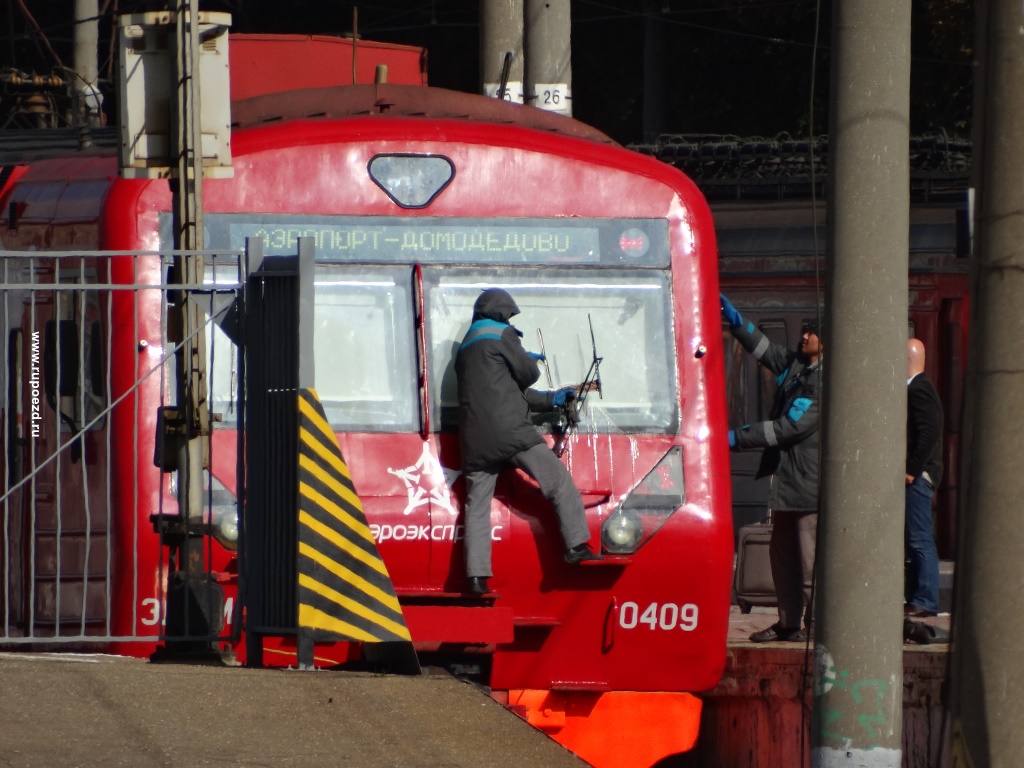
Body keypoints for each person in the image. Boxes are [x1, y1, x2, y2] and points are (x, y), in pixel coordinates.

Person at [455, 288, 601, 596]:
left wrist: (552, 399)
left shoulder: (466, 345)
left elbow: (506, 392)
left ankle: (476, 578)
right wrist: (523, 356)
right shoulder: (502, 333)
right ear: (502, 312)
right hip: (511, 433)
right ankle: (576, 545)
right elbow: (529, 375)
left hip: (474, 441)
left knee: (477, 507)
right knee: (557, 481)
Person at [721, 294, 822, 643]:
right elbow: (764, 349)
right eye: (805, 330)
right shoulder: (796, 365)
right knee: (783, 557)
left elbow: (787, 428)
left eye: (812, 333)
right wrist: (737, 322)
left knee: (810, 561)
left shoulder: (821, 382)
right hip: (788, 482)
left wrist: (737, 437)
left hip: (808, 484)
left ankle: (816, 624)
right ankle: (788, 622)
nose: (804, 336)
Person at [904, 338, 943, 618]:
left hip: (918, 477)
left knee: (920, 538)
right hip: (918, 475)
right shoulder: (918, 388)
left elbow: (928, 433)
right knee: (914, 538)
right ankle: (917, 596)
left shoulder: (919, 389)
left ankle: (926, 600)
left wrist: (911, 469)